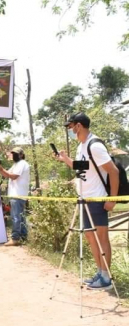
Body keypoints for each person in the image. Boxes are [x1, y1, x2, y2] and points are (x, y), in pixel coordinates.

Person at [57, 112, 119, 290]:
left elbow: (113, 172)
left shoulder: (95, 145)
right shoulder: (82, 146)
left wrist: (112, 200)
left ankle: (106, 278)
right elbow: (84, 166)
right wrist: (66, 160)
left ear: (79, 126)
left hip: (97, 199)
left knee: (101, 237)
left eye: (70, 126)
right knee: (91, 237)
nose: (69, 130)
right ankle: (100, 272)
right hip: (84, 199)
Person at [0, 147, 30, 246]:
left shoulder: (22, 164)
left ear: (21, 155)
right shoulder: (16, 164)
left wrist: (2, 169)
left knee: (16, 217)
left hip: (18, 194)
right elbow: (7, 174)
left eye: (15, 153)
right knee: (21, 217)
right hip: (16, 194)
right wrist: (0, 169)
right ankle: (23, 237)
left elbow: (13, 176)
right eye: (13, 153)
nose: (13, 155)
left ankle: (15, 238)